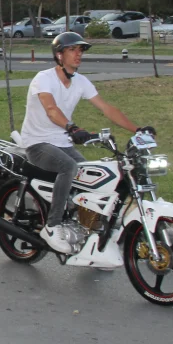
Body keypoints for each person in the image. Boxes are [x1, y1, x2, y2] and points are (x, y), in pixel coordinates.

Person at [20, 32, 154, 254]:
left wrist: (137, 130)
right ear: (59, 55)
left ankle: (88, 229)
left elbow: (106, 108)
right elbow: (51, 109)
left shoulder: (81, 81)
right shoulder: (43, 79)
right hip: (37, 142)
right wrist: (72, 128)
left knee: (92, 176)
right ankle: (52, 226)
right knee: (69, 167)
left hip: (62, 143)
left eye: (80, 50)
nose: (78, 54)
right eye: (72, 50)